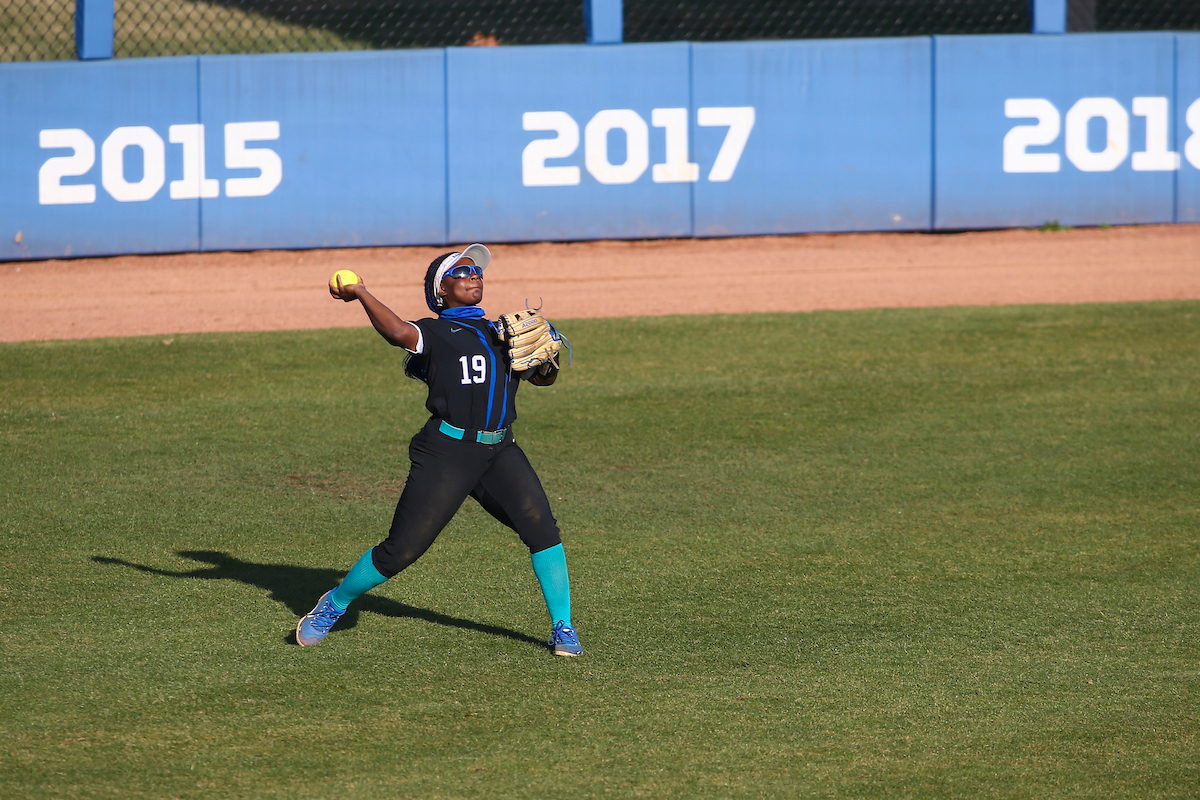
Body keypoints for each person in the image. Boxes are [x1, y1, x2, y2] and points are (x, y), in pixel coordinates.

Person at [296, 244, 581, 656]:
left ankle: (563, 626)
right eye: (462, 272)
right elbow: (397, 333)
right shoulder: (433, 333)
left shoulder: (502, 332)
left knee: (542, 529)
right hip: (446, 453)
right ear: (440, 290)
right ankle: (333, 604)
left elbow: (541, 381)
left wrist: (546, 363)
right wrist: (360, 292)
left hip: (500, 451)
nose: (474, 275)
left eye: (477, 272)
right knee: (401, 551)